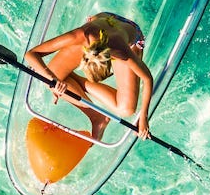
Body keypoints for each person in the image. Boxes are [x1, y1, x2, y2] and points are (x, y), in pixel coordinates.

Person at [23, 12, 153, 140]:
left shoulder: (122, 52)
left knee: (126, 109)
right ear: (85, 57)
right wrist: (53, 79)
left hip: (129, 38)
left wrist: (143, 117)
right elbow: (31, 54)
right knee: (48, 78)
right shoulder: (79, 36)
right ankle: (97, 117)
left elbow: (147, 78)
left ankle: (70, 79)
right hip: (102, 24)